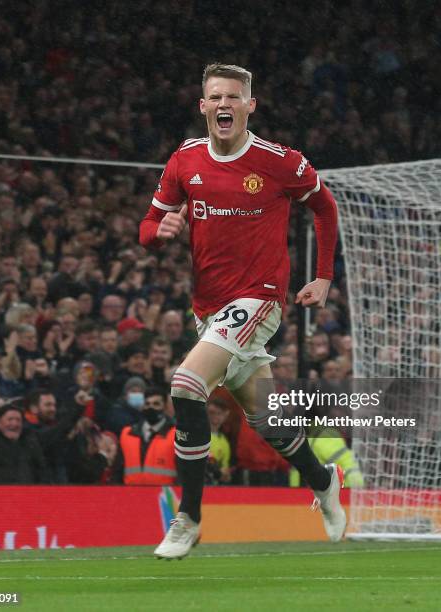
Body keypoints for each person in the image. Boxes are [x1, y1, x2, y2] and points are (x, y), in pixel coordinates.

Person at [140, 63, 345, 559]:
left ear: (250, 106)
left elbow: (325, 207)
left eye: (234, 97)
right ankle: (324, 480)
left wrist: (322, 276)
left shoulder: (280, 162)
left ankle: (188, 517)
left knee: (187, 384)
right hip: (207, 307)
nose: (224, 104)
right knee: (264, 417)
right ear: (203, 107)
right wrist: (159, 234)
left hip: (260, 297)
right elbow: (149, 224)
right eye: (216, 97)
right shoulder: (184, 160)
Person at [120, 387, 176, 486]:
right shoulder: (127, 434)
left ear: (165, 407)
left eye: (156, 404)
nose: (151, 408)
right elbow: (118, 469)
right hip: (131, 494)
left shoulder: (176, 435)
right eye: (147, 404)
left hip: (164, 496)